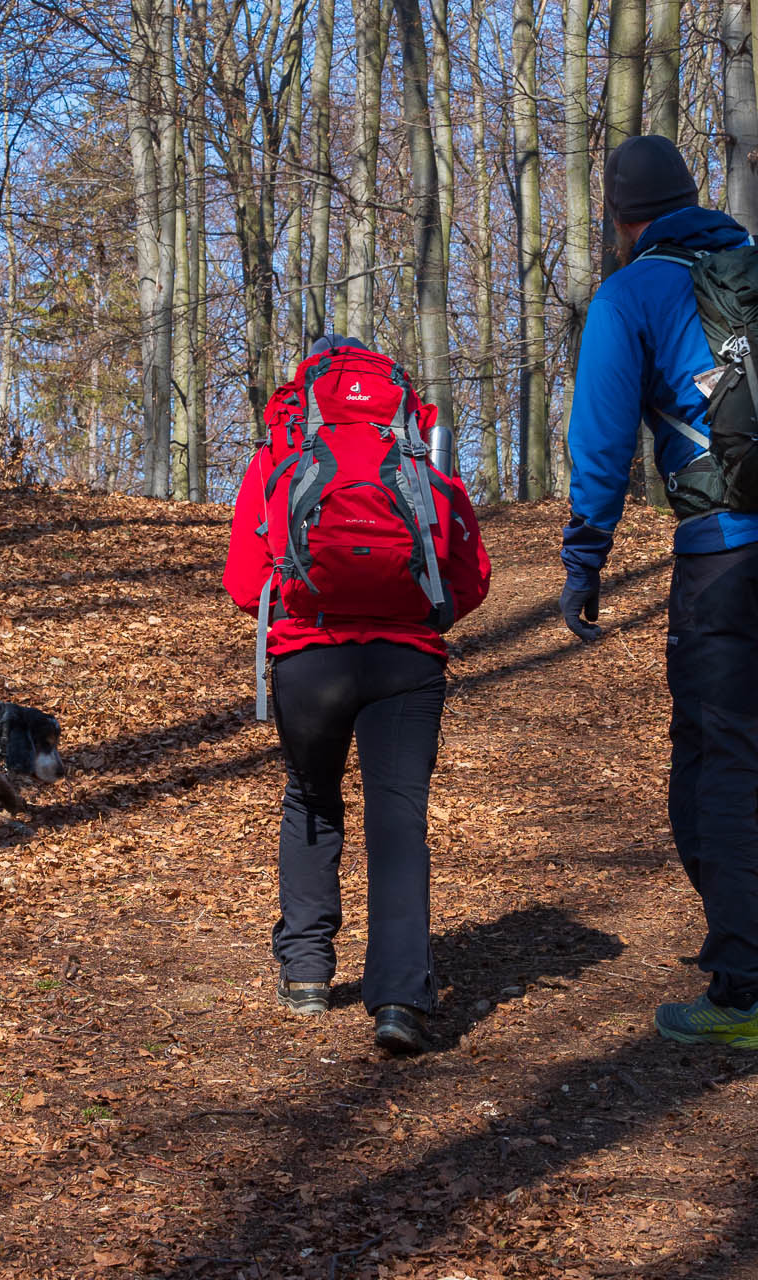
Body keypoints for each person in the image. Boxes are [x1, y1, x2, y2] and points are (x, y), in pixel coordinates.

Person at [561, 136, 758, 1050]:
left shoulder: (633, 293)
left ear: (621, 218)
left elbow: (604, 438)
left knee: (716, 755)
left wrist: (585, 558)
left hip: (730, 546)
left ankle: (743, 990)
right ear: (693, 199)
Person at [224, 335, 491, 1055]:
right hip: (407, 662)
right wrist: (418, 617)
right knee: (398, 819)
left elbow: (245, 583)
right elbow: (469, 574)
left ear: (306, 392)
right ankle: (401, 996)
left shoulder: (282, 453)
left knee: (311, 798)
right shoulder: (413, 455)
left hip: (310, 659)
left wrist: (303, 610)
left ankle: (307, 972)